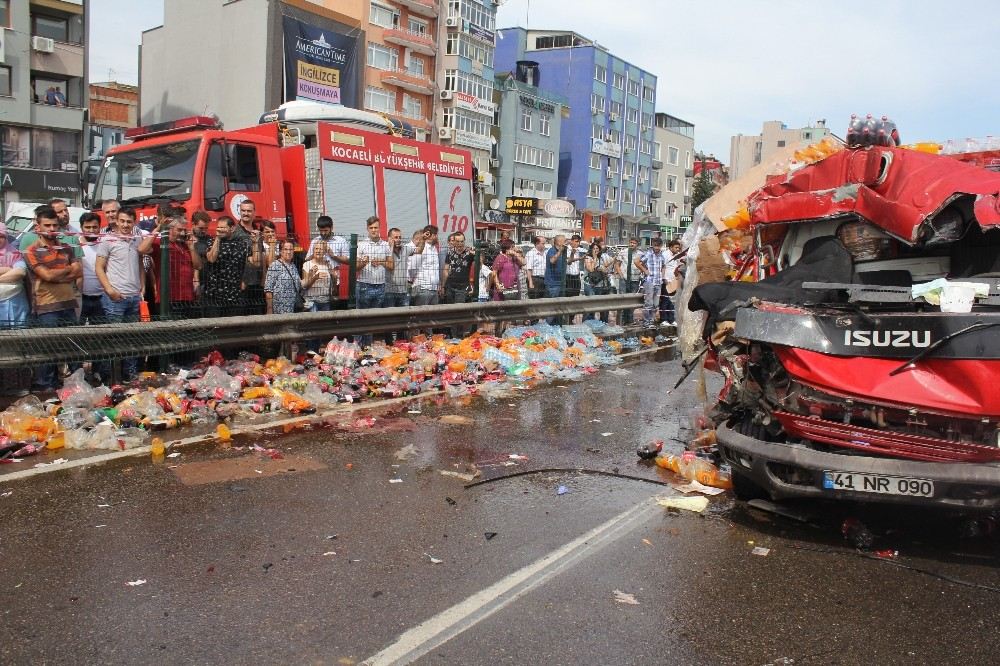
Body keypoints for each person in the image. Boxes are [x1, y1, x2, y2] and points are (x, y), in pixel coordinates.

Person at [24, 206, 81, 391]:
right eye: (47, 225)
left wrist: (56, 275)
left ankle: (77, 384)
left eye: (54, 225)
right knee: (47, 347)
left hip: (68, 303)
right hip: (46, 306)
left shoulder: (66, 247)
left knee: (72, 346)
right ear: (38, 227)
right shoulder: (31, 250)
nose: (51, 229)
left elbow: (78, 271)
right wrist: (66, 271)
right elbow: (46, 275)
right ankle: (46, 386)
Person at [96, 208, 154, 380]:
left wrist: (142, 286)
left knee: (132, 339)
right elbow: (99, 267)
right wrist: (109, 290)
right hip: (115, 298)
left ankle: (130, 375)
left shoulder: (137, 239)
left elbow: (140, 264)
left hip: (134, 297)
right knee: (113, 339)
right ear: (117, 221)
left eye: (129, 221)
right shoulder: (107, 240)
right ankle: (110, 377)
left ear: (134, 222)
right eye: (122, 221)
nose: (125, 225)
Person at [0, 222, 31, 395]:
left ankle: (17, 386)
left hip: (15, 304)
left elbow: (20, 272)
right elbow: (13, 272)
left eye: (1, 236)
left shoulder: (14, 252)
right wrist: (7, 270)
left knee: (16, 345)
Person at [151, 215, 202, 318]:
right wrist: (156, 231)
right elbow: (142, 249)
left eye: (184, 230)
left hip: (187, 297)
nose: (182, 233)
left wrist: (191, 247)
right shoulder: (160, 243)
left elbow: (198, 266)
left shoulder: (185, 245)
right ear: (170, 229)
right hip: (168, 298)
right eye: (179, 230)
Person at [204, 216, 250, 317]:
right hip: (214, 294)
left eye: (223, 228)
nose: (220, 230)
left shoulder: (241, 244)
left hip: (234, 294)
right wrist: (217, 239)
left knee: (233, 324)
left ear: (232, 228)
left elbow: (254, 263)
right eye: (218, 227)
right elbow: (211, 259)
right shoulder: (211, 242)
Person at [265, 240, 317, 315]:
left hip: (293, 309)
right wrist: (269, 309)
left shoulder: (293, 266)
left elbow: (300, 285)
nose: (288, 252)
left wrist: (310, 275)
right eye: (285, 249)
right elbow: (268, 290)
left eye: (291, 249)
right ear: (280, 251)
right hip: (280, 309)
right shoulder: (274, 266)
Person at [232, 200, 263, 314]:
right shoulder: (234, 232)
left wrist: (263, 278)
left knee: (258, 317)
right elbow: (233, 259)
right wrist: (241, 279)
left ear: (254, 212)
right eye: (243, 210)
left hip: (257, 282)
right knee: (241, 317)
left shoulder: (257, 232)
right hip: (241, 284)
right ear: (239, 211)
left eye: (249, 211)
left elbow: (262, 256)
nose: (246, 213)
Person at [355, 216, 393, 310]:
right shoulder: (361, 245)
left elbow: (391, 266)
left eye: (375, 227)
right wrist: (364, 262)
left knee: (377, 315)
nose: (373, 230)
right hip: (364, 285)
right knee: (362, 315)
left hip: (381, 285)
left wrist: (381, 261)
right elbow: (356, 268)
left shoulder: (386, 245)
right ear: (367, 229)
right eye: (371, 228)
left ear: (379, 228)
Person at [635, 237, 667, 328]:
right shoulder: (648, 254)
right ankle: (646, 321)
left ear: (661, 246)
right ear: (652, 245)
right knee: (648, 303)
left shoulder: (661, 255)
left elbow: (663, 266)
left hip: (658, 282)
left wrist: (662, 276)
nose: (656, 248)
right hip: (649, 281)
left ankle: (651, 320)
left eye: (658, 246)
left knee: (656, 304)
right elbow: (637, 262)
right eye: (655, 245)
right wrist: (645, 270)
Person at [408, 225, 441, 307]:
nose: (437, 237)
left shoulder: (434, 248)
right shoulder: (422, 248)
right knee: (421, 313)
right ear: (432, 235)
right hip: (422, 288)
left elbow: (436, 269)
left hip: (434, 288)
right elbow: (412, 267)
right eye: (436, 235)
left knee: (433, 313)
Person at [301, 241, 335, 313]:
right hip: (311, 301)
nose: (318, 251)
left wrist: (334, 276)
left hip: (325, 301)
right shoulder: (307, 264)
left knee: (325, 320)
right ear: (313, 250)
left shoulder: (328, 265)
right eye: (316, 249)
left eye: (321, 249)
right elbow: (305, 286)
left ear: (325, 252)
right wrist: (315, 278)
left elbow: (332, 284)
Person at [383, 227, 412, 308]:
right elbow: (390, 267)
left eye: (400, 237)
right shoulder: (384, 249)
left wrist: (423, 239)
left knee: (404, 314)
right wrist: (391, 247)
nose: (398, 239)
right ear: (389, 238)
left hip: (403, 291)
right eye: (396, 237)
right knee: (390, 314)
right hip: (389, 291)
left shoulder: (405, 248)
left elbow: (419, 250)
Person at [583, 241, 611, 321]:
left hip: (600, 285)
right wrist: (594, 258)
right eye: (594, 248)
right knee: (591, 306)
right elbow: (591, 270)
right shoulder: (588, 258)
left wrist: (603, 270)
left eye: (597, 248)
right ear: (591, 249)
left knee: (602, 306)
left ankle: (602, 322)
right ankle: (588, 322)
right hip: (590, 285)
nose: (596, 250)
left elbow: (606, 270)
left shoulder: (601, 258)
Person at [661, 239, 684, 327]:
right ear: (671, 247)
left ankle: (671, 319)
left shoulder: (677, 255)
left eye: (678, 248)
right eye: (676, 247)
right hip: (666, 281)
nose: (678, 249)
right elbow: (663, 267)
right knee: (665, 301)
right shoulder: (665, 255)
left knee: (672, 301)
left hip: (673, 281)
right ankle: (664, 319)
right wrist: (664, 278)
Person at [191, 210, 212, 301]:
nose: (204, 231)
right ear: (193, 224)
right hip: (189, 281)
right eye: (201, 228)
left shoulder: (209, 239)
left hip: (206, 281)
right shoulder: (186, 239)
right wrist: (196, 280)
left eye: (206, 228)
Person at [620, 238, 642, 325]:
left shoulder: (640, 254)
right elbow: (617, 264)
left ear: (637, 244)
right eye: (631, 242)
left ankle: (630, 319)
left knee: (632, 300)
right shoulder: (623, 252)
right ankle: (622, 319)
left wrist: (641, 271)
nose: (632, 244)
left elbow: (644, 264)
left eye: (634, 243)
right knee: (623, 299)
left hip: (635, 279)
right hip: (624, 279)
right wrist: (621, 275)